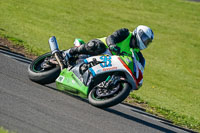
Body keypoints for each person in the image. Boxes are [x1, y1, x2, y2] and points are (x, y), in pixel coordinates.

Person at [63, 25, 154, 88]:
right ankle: (69, 52)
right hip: (104, 48)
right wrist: (112, 45)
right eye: (145, 39)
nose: (145, 42)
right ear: (139, 34)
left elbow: (139, 67)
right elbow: (112, 37)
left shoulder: (137, 54)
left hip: (110, 62)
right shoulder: (126, 33)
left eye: (147, 42)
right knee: (96, 46)